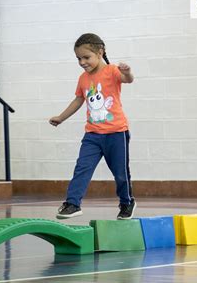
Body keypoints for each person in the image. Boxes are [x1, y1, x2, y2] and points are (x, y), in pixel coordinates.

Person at [49, 33, 136, 220]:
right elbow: (79, 99)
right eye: (78, 58)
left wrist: (127, 71)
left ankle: (127, 202)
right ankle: (72, 203)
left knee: (120, 173)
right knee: (82, 168)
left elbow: (128, 79)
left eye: (86, 57)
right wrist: (61, 117)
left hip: (116, 133)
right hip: (93, 135)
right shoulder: (83, 78)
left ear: (100, 52)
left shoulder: (112, 71)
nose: (82, 62)